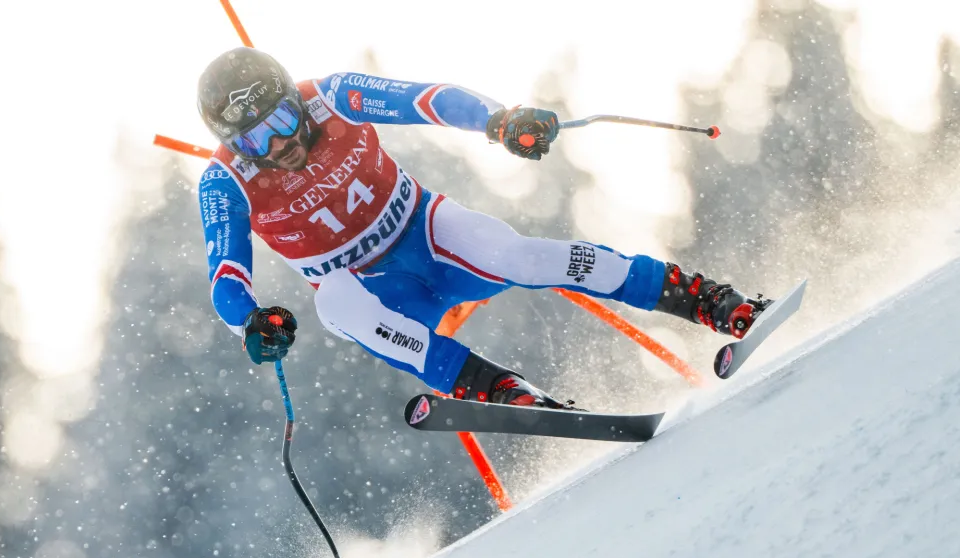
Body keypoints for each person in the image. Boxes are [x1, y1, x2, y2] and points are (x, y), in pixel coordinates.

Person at [195, 46, 772, 409]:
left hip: (427, 235)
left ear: (293, 99)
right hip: (376, 290)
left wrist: (497, 121)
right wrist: (250, 321)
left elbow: (427, 99)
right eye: (255, 138)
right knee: (336, 308)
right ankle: (501, 392)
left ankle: (709, 301)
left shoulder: (331, 97)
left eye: (281, 119)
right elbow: (225, 273)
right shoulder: (225, 181)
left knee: (521, 258)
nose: (281, 143)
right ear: (232, 142)